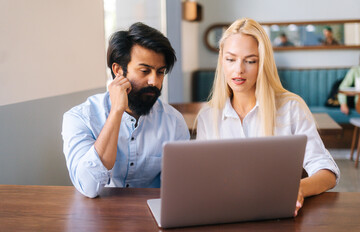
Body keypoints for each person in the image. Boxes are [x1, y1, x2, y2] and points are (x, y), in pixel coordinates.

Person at [196, 18, 340, 217]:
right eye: (231, 59)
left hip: (278, 217)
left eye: (250, 60)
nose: (239, 69)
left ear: (262, 62)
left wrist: (298, 189)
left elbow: (326, 172)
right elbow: (203, 180)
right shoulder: (208, 116)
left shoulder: (291, 108)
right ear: (222, 60)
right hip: (224, 215)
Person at [62, 22, 190, 198]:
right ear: (118, 71)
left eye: (160, 72)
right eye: (145, 71)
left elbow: (180, 187)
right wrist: (116, 112)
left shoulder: (173, 122)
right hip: (98, 217)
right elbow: (89, 188)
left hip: (153, 215)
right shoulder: (80, 117)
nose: (155, 81)